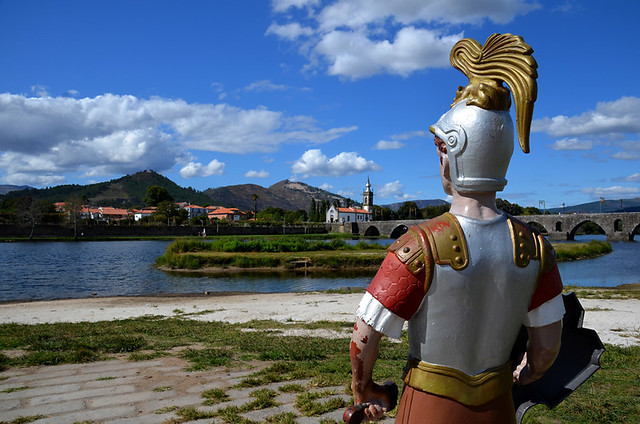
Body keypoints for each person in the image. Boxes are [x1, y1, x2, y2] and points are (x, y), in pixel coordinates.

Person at [349, 33, 565, 424]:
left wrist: (364, 389)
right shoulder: (535, 247)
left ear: (451, 150)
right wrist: (528, 372)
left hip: (428, 408)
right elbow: (547, 345)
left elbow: (365, 334)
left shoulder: (420, 245)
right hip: (499, 405)